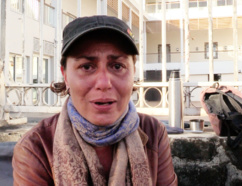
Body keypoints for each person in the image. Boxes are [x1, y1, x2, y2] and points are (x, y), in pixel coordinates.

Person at [12, 15, 178, 185]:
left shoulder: (153, 132)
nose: (104, 83)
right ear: (66, 76)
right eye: (86, 67)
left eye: (117, 66)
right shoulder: (35, 147)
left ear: (133, 72)